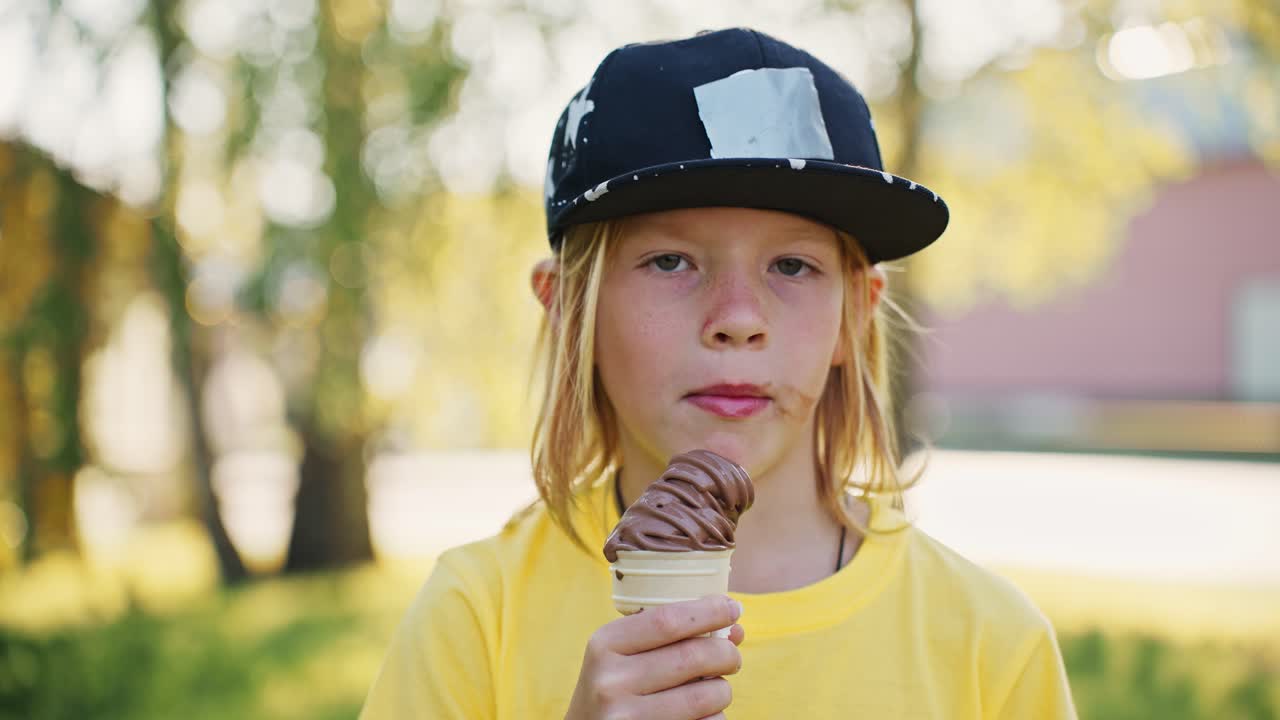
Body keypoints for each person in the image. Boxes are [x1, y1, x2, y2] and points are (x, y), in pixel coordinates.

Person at [360, 27, 1076, 719]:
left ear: (854, 316)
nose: (737, 317)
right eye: (671, 261)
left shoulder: (992, 648)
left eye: (792, 265)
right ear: (569, 309)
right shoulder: (479, 617)